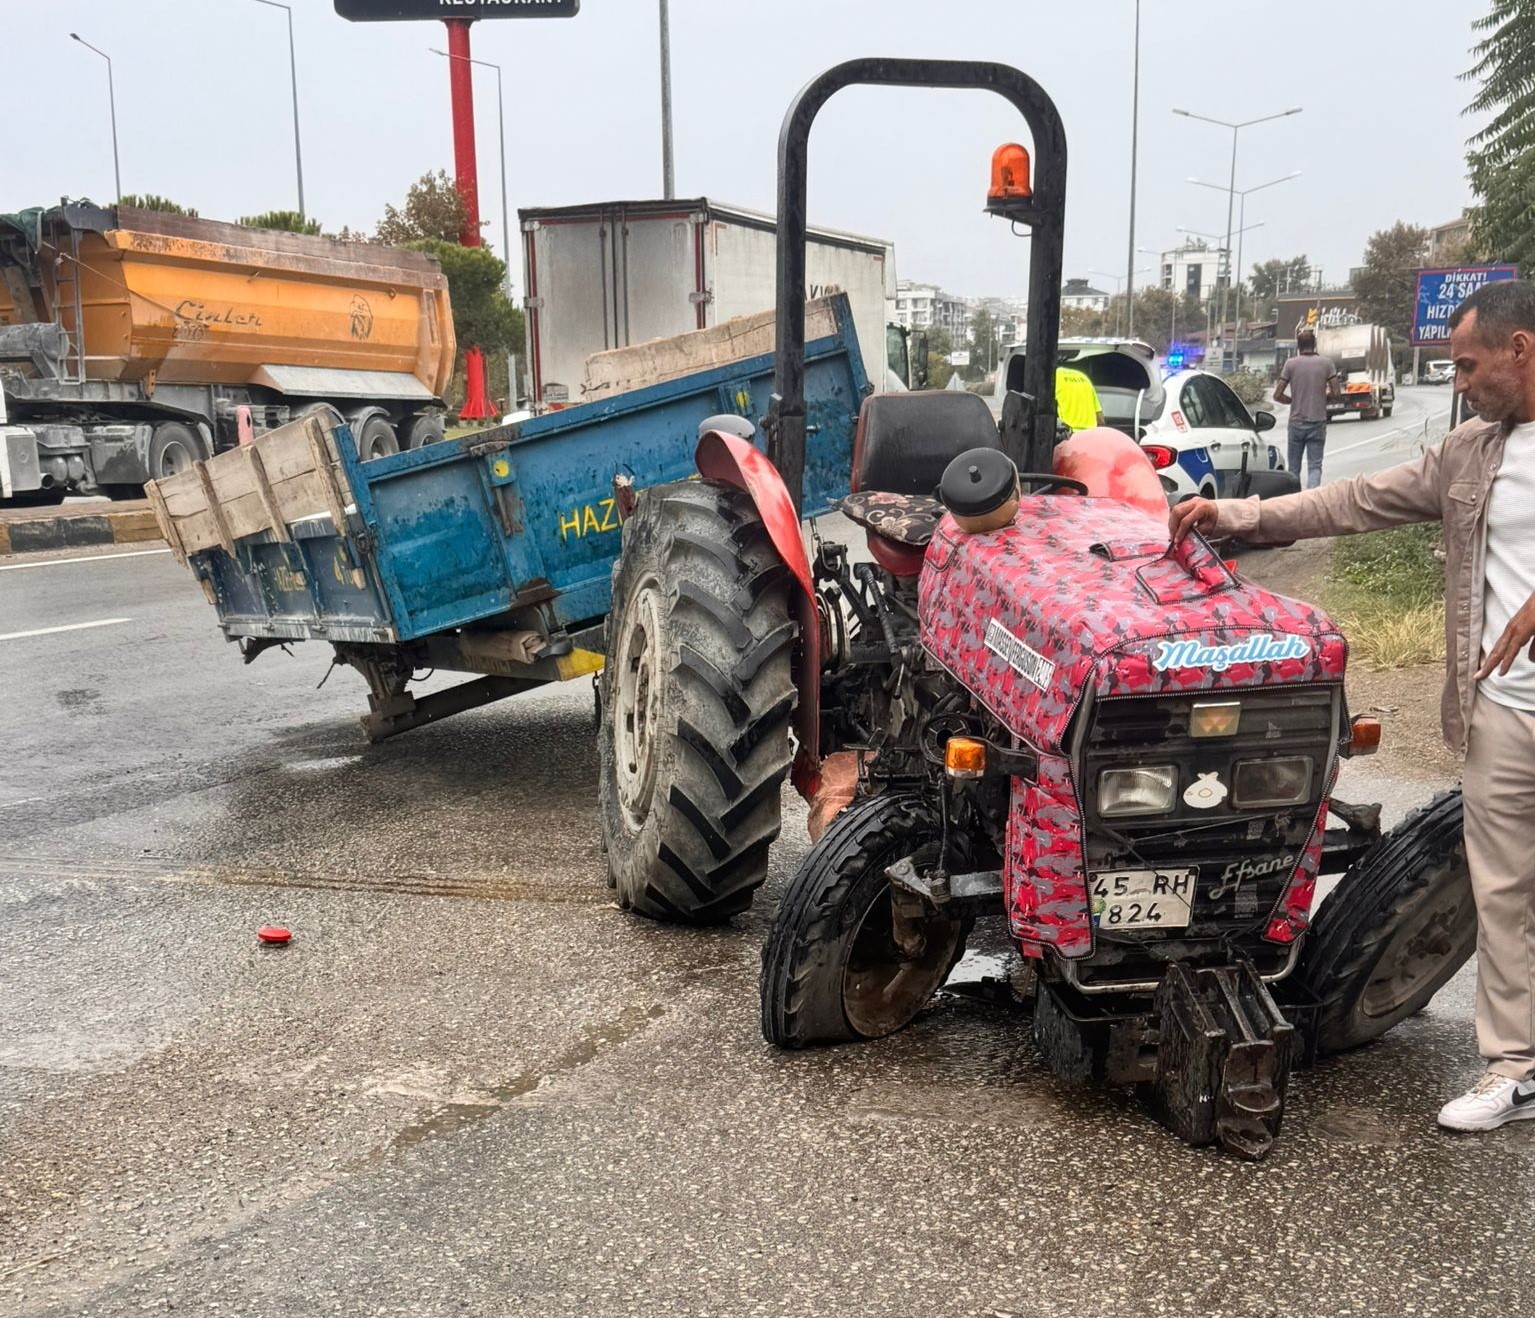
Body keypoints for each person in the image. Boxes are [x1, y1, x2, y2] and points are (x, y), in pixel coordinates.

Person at [1169, 279, 1535, 1133]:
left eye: (1467, 366)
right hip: (1504, 709)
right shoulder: (1471, 453)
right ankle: (1516, 1068)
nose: (1458, 384)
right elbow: (1352, 500)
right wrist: (1236, 514)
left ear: (1520, 350)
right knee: (1504, 894)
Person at [1274, 328, 1341, 489]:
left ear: (1298, 346)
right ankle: (1312, 498)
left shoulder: (1290, 364)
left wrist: (1293, 400)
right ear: (1315, 344)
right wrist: (1323, 398)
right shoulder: (1326, 363)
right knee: (1315, 466)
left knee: (1293, 468)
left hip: (1296, 423)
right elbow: (1336, 392)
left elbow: (1277, 395)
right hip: (1318, 422)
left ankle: (1295, 500)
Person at [1054, 364, 1105, 432]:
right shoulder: (1082, 377)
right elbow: (1100, 419)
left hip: (1068, 433)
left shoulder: (1051, 378)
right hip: (1091, 433)